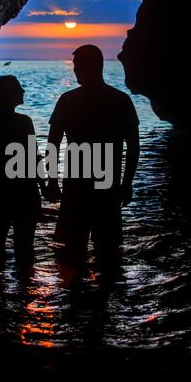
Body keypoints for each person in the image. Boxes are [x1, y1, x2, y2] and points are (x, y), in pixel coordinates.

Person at [45, 45, 140, 262]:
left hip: (77, 185)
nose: (75, 70)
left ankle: (74, 294)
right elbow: (133, 146)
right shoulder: (120, 100)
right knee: (108, 252)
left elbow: (53, 143)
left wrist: (52, 180)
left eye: (78, 65)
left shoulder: (67, 100)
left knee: (72, 251)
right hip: (108, 185)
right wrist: (127, 183)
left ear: (91, 66)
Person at [0, 75, 44, 270]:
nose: (23, 91)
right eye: (18, 88)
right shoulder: (23, 122)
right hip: (24, 192)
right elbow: (34, 158)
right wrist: (45, 186)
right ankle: (24, 294)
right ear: (7, 95)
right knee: (25, 251)